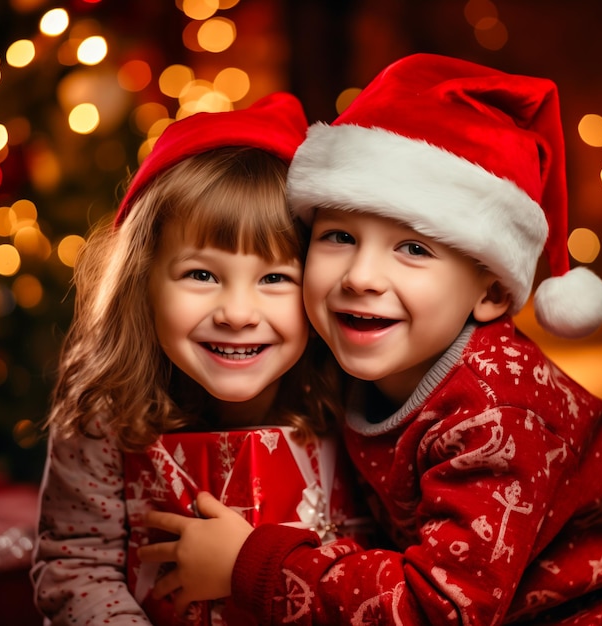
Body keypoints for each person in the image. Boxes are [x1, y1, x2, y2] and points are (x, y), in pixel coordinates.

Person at [137, 53, 602, 625]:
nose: (361, 277)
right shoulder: (349, 356)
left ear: (488, 295)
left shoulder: (498, 415)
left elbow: (442, 612)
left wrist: (251, 564)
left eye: (413, 248)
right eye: (339, 235)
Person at [31, 92, 371, 626]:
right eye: (202, 275)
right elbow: (75, 569)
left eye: (275, 278)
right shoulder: (104, 410)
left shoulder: (357, 397)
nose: (237, 313)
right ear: (143, 282)